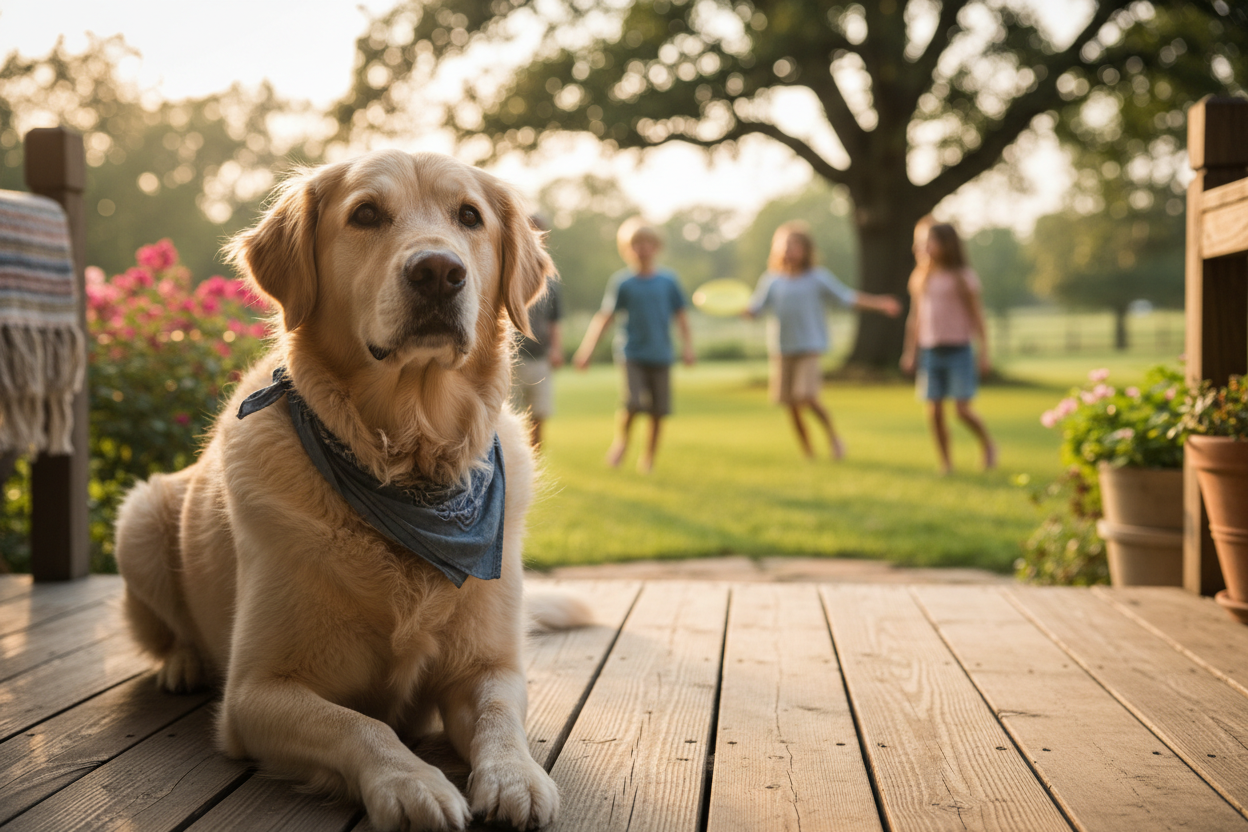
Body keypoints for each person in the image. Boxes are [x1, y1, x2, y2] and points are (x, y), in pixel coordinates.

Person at [746, 221, 901, 460]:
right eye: (783, 245)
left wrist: (879, 304)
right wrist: (744, 311)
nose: (788, 250)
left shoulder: (817, 278)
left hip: (809, 346)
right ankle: (808, 452)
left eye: (794, 245)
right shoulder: (771, 281)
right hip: (782, 349)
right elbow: (755, 309)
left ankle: (833, 437)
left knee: (806, 397)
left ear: (806, 250)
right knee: (790, 405)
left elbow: (847, 298)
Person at [573, 217, 695, 473]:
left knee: (659, 411)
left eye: (648, 243)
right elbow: (605, 318)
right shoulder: (623, 283)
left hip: (661, 354)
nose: (643, 248)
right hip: (632, 353)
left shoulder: (669, 281)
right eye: (637, 243)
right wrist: (587, 351)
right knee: (634, 403)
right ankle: (622, 442)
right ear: (627, 248)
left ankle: (648, 458)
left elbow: (682, 317)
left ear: (657, 247)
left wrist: (688, 347)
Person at [900, 216, 997, 475]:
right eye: (920, 243)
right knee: (934, 412)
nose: (922, 248)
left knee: (962, 411)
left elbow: (978, 318)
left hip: (959, 350)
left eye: (928, 242)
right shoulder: (921, 277)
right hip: (931, 351)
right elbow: (915, 318)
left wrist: (984, 353)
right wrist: (911, 351)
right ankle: (946, 463)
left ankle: (988, 444)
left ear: (946, 244)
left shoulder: (962, 277)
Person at [511, 279, 563, 450]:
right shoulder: (513, 280)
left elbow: (554, 322)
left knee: (539, 414)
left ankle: (535, 459)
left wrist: (556, 349)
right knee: (511, 413)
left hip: (541, 357)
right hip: (512, 359)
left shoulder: (551, 286)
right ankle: (512, 455)